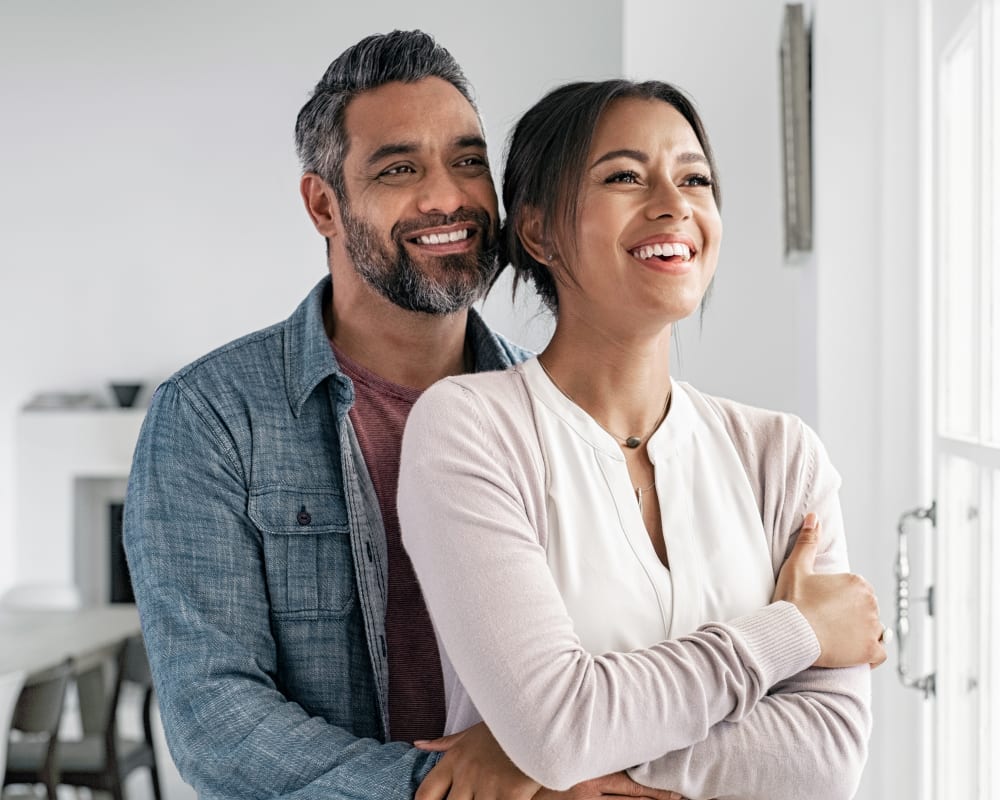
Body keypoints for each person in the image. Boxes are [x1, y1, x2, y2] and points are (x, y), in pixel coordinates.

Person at [125, 30, 679, 800]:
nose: (447, 198)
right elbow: (218, 723)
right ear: (324, 204)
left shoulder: (558, 405)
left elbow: (632, 645)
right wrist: (460, 784)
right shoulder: (213, 419)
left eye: (467, 161)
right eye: (398, 169)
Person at [398, 79, 886, 800]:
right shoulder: (468, 428)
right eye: (625, 176)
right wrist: (794, 633)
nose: (674, 204)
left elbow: (828, 758)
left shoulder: (782, 457)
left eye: (695, 178)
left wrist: (555, 758)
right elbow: (559, 726)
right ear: (539, 232)